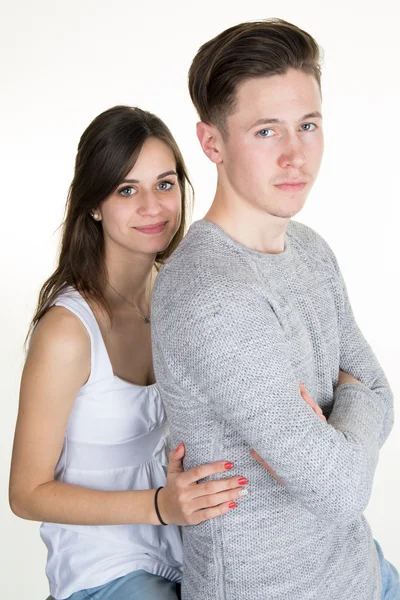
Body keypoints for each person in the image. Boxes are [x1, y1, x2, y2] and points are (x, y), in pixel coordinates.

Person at [151, 19, 399, 600]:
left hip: (364, 570)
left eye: (308, 125)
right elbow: (340, 489)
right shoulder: (208, 296)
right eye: (266, 132)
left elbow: (380, 393)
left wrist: (341, 424)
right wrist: (348, 416)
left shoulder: (309, 248)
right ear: (212, 143)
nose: (296, 155)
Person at [8, 105, 248, 600]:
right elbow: (25, 494)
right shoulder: (67, 333)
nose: (153, 207)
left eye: (164, 184)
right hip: (103, 569)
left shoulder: (180, 297)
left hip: (186, 549)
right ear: (93, 204)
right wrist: (160, 506)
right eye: (126, 189)